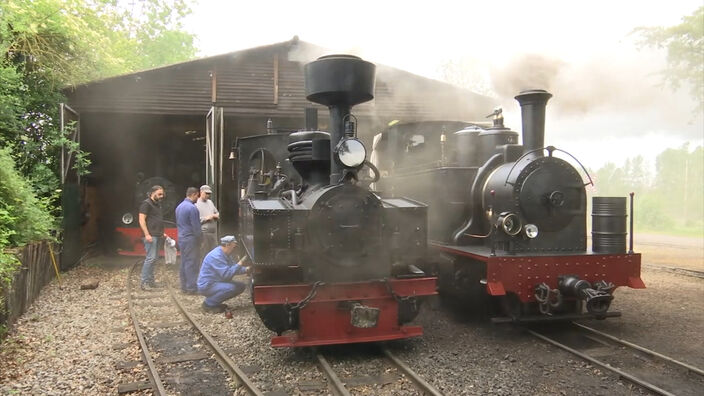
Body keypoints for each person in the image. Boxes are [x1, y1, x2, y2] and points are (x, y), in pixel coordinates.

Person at [197, 235, 250, 313]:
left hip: (217, 282)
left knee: (241, 286)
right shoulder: (216, 256)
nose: (234, 249)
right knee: (231, 288)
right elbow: (227, 274)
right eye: (233, 247)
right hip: (207, 285)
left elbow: (233, 268)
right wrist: (240, 263)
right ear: (227, 245)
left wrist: (247, 270)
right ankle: (208, 304)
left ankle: (215, 302)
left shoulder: (226, 254)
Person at [175, 187, 202, 294]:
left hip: (181, 237)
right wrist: (200, 239)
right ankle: (191, 287)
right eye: (197, 196)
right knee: (192, 262)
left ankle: (184, 287)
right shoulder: (192, 208)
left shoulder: (179, 207)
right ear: (194, 194)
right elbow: (196, 227)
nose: (198, 198)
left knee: (184, 262)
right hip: (191, 239)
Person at [138, 185, 165, 290]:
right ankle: (144, 283)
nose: (161, 196)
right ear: (152, 193)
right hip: (151, 235)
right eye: (159, 194)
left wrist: (162, 233)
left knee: (154, 259)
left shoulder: (158, 205)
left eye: (162, 194)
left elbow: (157, 220)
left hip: (157, 235)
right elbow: (141, 220)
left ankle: (151, 281)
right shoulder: (146, 204)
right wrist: (147, 234)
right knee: (150, 258)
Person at [195, 184, 219, 263]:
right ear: (201, 192)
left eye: (209, 194)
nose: (208, 195)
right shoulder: (196, 204)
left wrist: (215, 216)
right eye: (206, 193)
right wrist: (206, 218)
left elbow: (217, 213)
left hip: (213, 232)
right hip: (204, 232)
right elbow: (194, 220)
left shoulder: (210, 202)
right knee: (204, 253)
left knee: (214, 253)